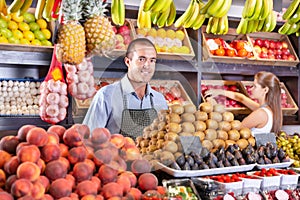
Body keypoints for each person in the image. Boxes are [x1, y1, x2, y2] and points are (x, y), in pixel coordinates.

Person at [83, 38, 168, 139]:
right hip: (115, 154)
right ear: (128, 62)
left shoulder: (160, 100)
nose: (147, 65)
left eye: (152, 60)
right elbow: (88, 139)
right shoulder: (106, 95)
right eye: (141, 59)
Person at [205, 71, 282, 136]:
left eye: (254, 86)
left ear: (265, 90)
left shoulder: (260, 113)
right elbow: (241, 98)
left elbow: (234, 131)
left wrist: (215, 106)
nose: (251, 89)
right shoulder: (269, 109)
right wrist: (220, 92)